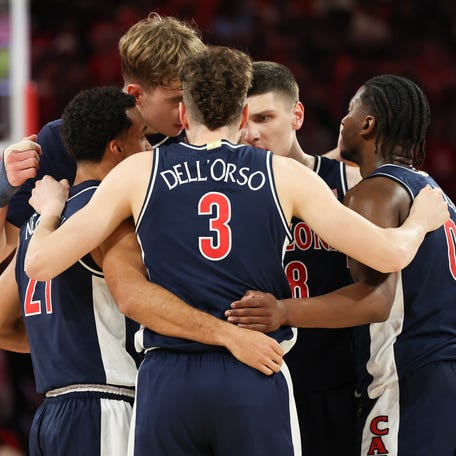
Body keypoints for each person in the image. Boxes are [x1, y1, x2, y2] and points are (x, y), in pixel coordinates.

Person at [23, 48, 448, 455]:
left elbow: (40, 263)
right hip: (253, 368)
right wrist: (418, 222)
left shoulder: (139, 170)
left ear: (184, 113)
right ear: (242, 115)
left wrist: (49, 214)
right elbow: (390, 256)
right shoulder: (284, 174)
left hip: (167, 378)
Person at [227, 74, 456, 455]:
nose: (342, 121)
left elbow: (374, 299)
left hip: (405, 374)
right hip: (430, 371)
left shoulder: (372, 192)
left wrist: (282, 311)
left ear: (367, 123)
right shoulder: (432, 192)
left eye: (351, 112)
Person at [1, 86, 153, 456]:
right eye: (145, 138)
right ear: (117, 148)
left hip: (51, 412)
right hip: (107, 406)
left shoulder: (38, 226)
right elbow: (140, 301)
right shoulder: (108, 217)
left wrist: (61, 345)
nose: (150, 150)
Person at [0, 12, 206, 262]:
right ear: (136, 94)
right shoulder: (63, 139)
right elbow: (6, 247)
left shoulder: (198, 143)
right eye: (177, 100)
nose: (189, 109)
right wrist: (3, 186)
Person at [243, 60, 360, 454]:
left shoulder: (351, 183)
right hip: (258, 381)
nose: (251, 133)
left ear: (297, 115)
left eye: (264, 117)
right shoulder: (226, 193)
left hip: (340, 381)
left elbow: (381, 294)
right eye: (241, 120)